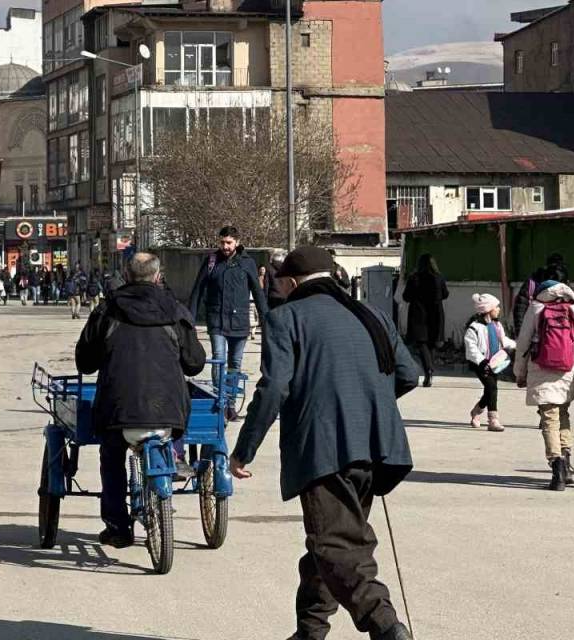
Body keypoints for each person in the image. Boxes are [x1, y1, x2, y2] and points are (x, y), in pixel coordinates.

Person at [231, 246, 418, 640]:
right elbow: (408, 375)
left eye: (279, 280)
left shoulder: (285, 319)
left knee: (334, 544)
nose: (275, 286)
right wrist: (364, 406)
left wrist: (244, 449)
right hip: (377, 447)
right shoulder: (372, 314)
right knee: (330, 543)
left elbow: (275, 387)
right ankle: (310, 631)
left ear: (293, 282)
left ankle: (385, 625)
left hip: (324, 450)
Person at [75, 253, 207, 548]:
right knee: (165, 431)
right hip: (170, 411)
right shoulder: (176, 311)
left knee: (111, 458)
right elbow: (195, 363)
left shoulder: (107, 310)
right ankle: (174, 459)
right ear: (158, 276)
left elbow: (85, 362)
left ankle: (118, 526)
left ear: (126, 274)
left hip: (118, 409)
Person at [514, 277, 574, 491]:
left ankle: (556, 466)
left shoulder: (536, 307)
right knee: (563, 413)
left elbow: (523, 343)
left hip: (541, 367)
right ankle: (566, 462)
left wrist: (519, 372)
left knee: (549, 418)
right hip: (569, 367)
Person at [188, 226, 269, 419]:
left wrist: (266, 319)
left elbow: (257, 293)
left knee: (235, 363)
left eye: (229, 242)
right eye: (222, 242)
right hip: (216, 320)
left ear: (237, 242)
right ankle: (220, 401)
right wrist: (189, 318)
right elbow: (198, 290)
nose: (225, 246)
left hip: (240, 321)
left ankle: (231, 403)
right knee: (218, 359)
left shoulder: (247, 263)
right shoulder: (211, 261)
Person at [463, 293, 514, 432]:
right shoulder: (474, 328)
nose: (498, 309)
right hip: (480, 364)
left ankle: (475, 411)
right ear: (487, 309)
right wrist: (482, 361)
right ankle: (493, 419)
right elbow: (471, 347)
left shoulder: (497, 325)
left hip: (495, 363)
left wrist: (517, 345)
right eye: (496, 307)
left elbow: (504, 340)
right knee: (492, 387)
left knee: (489, 390)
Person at [403, 253, 449, 388]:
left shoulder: (414, 278)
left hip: (419, 314)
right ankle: (430, 369)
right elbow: (445, 294)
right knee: (432, 342)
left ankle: (428, 370)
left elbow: (406, 296)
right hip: (435, 314)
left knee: (421, 343)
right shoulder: (438, 278)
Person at [512, 253, 566, 338]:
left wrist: (521, 336)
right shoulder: (533, 284)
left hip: (547, 336)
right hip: (542, 335)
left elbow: (520, 309)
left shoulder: (563, 284)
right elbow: (520, 308)